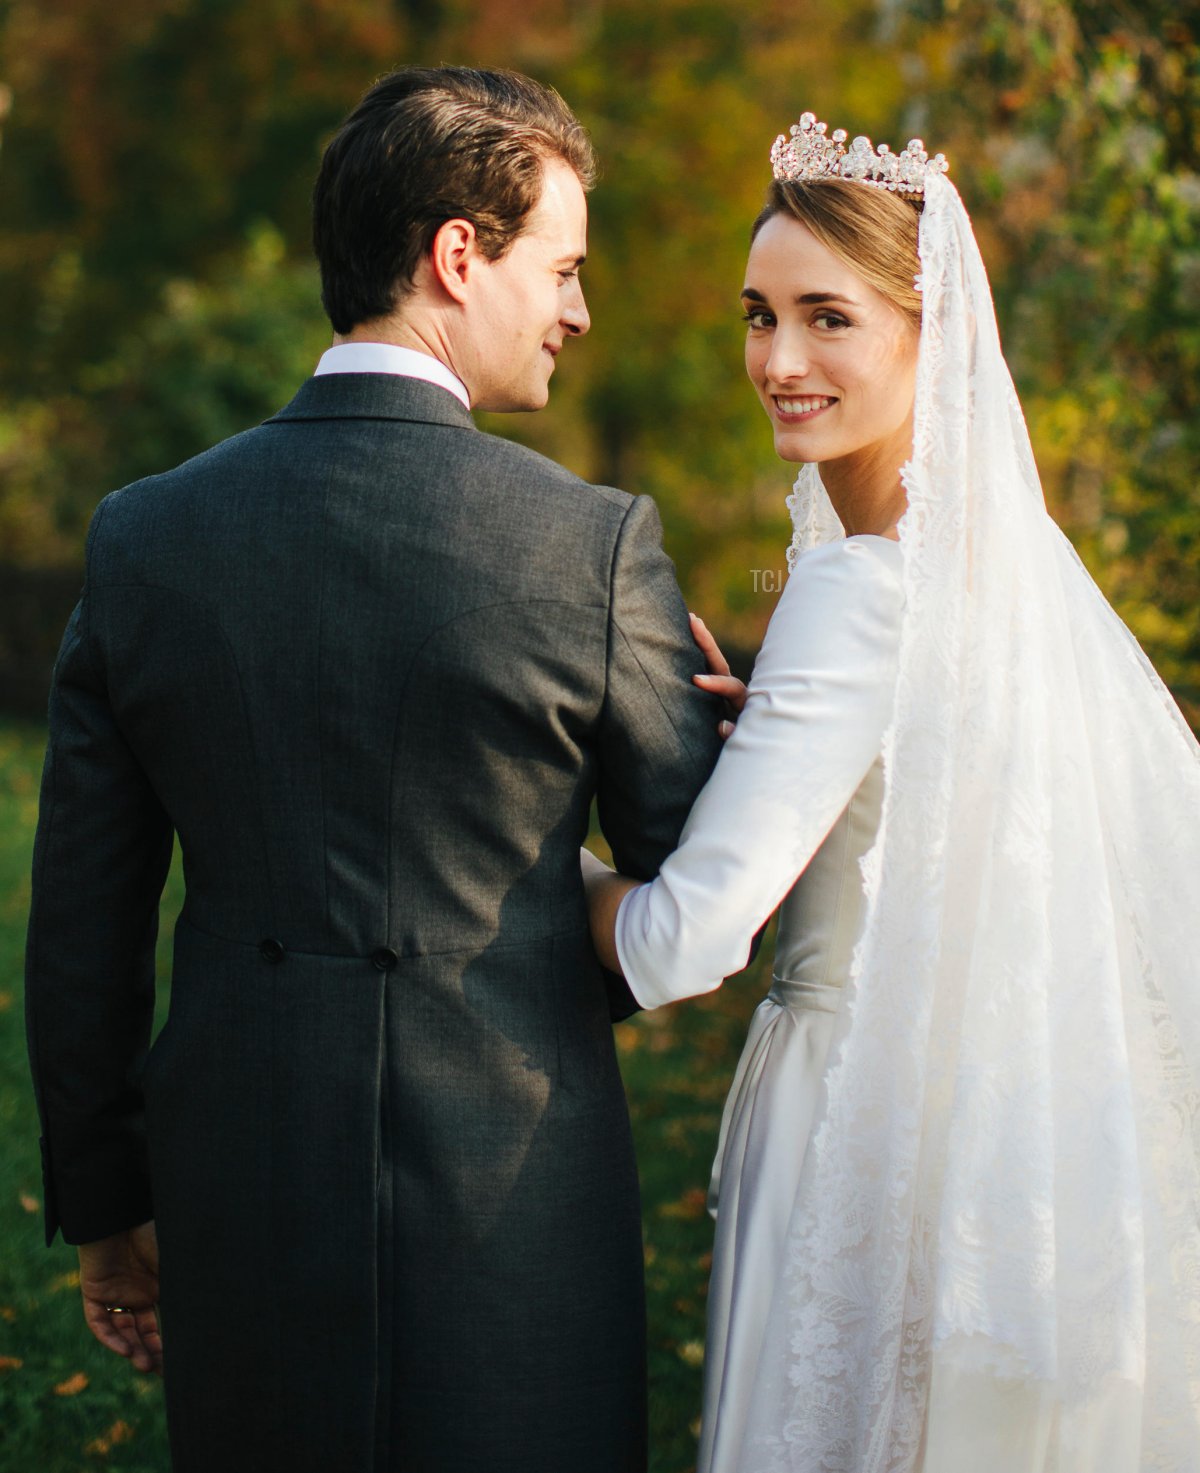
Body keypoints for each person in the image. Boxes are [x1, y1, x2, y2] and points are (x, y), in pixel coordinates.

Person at [24, 66, 728, 1473]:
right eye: (566, 266)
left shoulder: (145, 537)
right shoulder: (588, 545)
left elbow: (83, 924)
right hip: (514, 1204)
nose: (580, 310)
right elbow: (689, 873)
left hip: (241, 1187)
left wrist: (109, 1213)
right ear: (458, 254)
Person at [586, 113, 1200, 1472]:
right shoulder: (992, 575)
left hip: (847, 1118)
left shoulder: (862, 586)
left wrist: (520, 863)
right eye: (759, 316)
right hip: (971, 1135)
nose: (780, 361)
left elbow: (684, 938)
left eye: (829, 318)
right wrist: (798, 749)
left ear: (934, 333)